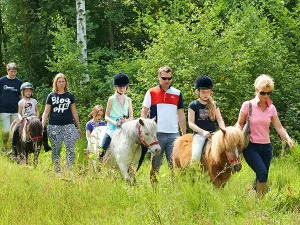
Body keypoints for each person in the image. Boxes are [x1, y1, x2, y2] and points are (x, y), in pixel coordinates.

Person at [237, 74, 294, 196]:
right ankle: (261, 204)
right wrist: (233, 139)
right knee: (262, 172)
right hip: (251, 146)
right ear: (256, 90)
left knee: (262, 175)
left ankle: (253, 198)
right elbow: (239, 124)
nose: (266, 96)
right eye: (263, 93)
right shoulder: (248, 105)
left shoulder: (271, 108)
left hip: (266, 147)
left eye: (269, 93)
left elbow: (278, 127)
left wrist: (288, 138)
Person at [140, 65, 186, 181]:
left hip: (173, 135)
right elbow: (144, 112)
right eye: (164, 78)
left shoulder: (177, 93)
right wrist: (143, 130)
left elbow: (181, 114)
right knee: (155, 165)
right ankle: (154, 190)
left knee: (175, 165)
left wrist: (184, 134)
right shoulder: (151, 92)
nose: (167, 81)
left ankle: (175, 190)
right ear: (159, 77)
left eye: (169, 78)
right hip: (156, 135)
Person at [42, 73, 82, 177]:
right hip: (54, 126)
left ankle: (69, 169)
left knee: (70, 148)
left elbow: (74, 112)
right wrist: (42, 125)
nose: (61, 83)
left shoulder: (69, 96)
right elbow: (46, 112)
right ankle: (57, 170)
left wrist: (78, 127)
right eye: (59, 81)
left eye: (63, 81)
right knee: (56, 149)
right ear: (56, 83)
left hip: (68, 125)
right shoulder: (51, 96)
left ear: (65, 83)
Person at [188, 75, 225, 166]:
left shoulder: (214, 104)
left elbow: (220, 120)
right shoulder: (193, 105)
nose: (206, 94)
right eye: (203, 92)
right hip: (200, 135)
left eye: (208, 92)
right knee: (195, 156)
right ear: (198, 91)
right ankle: (194, 174)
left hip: (214, 134)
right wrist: (203, 132)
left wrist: (224, 131)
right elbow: (191, 124)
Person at [99, 73, 133, 158]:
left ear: (126, 87)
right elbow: (106, 117)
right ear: (116, 87)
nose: (122, 89)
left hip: (125, 126)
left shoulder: (129, 100)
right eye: (120, 87)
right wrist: (114, 122)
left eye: (124, 87)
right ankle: (100, 162)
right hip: (112, 127)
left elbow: (131, 117)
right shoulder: (111, 99)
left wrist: (126, 121)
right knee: (103, 147)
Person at [11, 82, 52, 153]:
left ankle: (46, 145)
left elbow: (37, 111)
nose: (28, 92)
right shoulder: (21, 102)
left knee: (44, 129)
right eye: (27, 91)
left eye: (30, 91)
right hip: (24, 119)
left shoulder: (34, 101)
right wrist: (20, 118)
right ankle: (14, 145)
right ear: (22, 92)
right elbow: (19, 112)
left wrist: (37, 118)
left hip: (33, 118)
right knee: (16, 129)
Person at [0, 62, 22, 153]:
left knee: (15, 131)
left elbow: (21, 96)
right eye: (12, 71)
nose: (13, 73)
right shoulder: (1, 81)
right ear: (7, 70)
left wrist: (22, 108)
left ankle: (14, 149)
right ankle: (4, 146)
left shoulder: (19, 82)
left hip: (15, 110)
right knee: (6, 131)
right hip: (3, 110)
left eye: (15, 71)